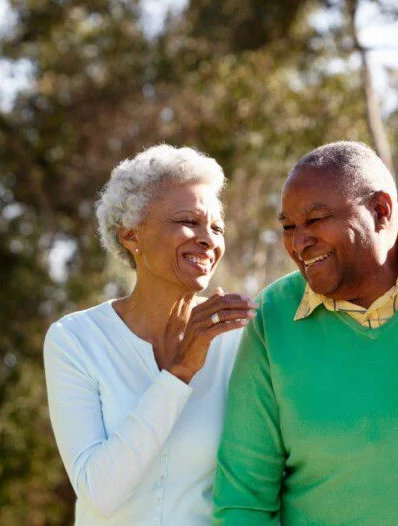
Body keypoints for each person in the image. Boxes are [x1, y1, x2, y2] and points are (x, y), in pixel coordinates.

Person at [212, 141, 398, 525]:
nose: (298, 242)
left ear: (381, 211)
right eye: (289, 227)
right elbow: (244, 500)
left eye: (315, 220)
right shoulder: (272, 318)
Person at [44, 144, 258, 525]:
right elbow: (98, 492)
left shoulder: (238, 339)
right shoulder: (75, 340)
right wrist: (179, 373)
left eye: (216, 227)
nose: (208, 239)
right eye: (187, 221)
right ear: (131, 236)